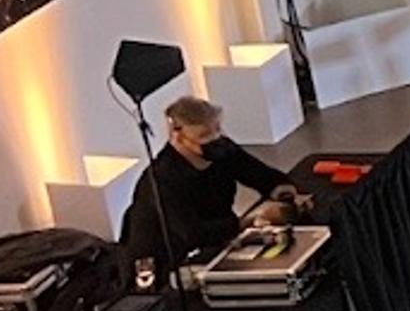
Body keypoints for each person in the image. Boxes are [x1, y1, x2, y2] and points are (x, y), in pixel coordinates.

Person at [120, 93, 291, 280]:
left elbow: (260, 174)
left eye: (217, 129)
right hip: (170, 265)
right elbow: (193, 233)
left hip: (217, 242)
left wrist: (282, 190)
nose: (215, 138)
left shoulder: (222, 150)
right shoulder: (163, 178)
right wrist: (247, 221)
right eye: (204, 135)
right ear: (177, 136)